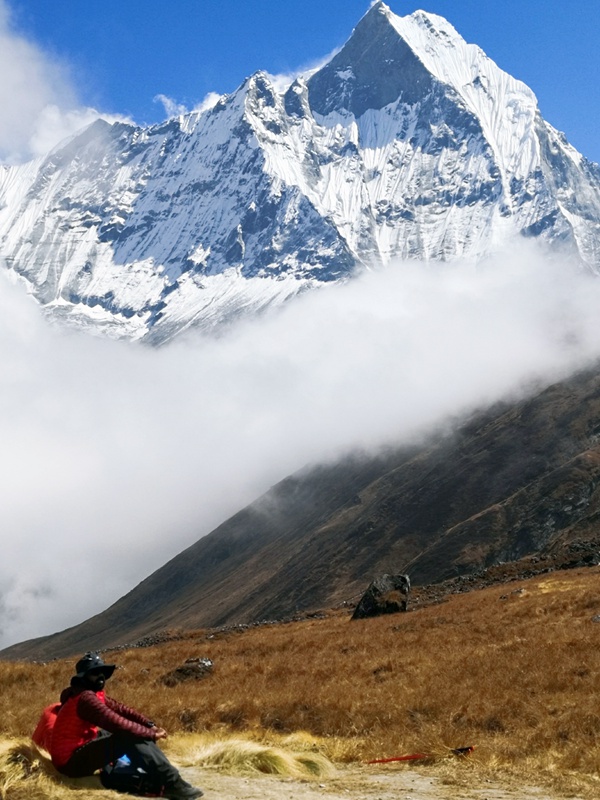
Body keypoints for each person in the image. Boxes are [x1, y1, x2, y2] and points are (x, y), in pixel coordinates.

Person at [49, 651, 203, 800]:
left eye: (103, 672)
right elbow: (115, 722)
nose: (101, 677)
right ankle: (172, 783)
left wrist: (150, 725)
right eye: (95, 673)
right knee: (129, 735)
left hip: (77, 751)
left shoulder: (89, 694)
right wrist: (150, 734)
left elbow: (122, 710)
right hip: (70, 762)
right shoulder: (86, 699)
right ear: (83, 677)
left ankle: (143, 774)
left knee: (123, 733)